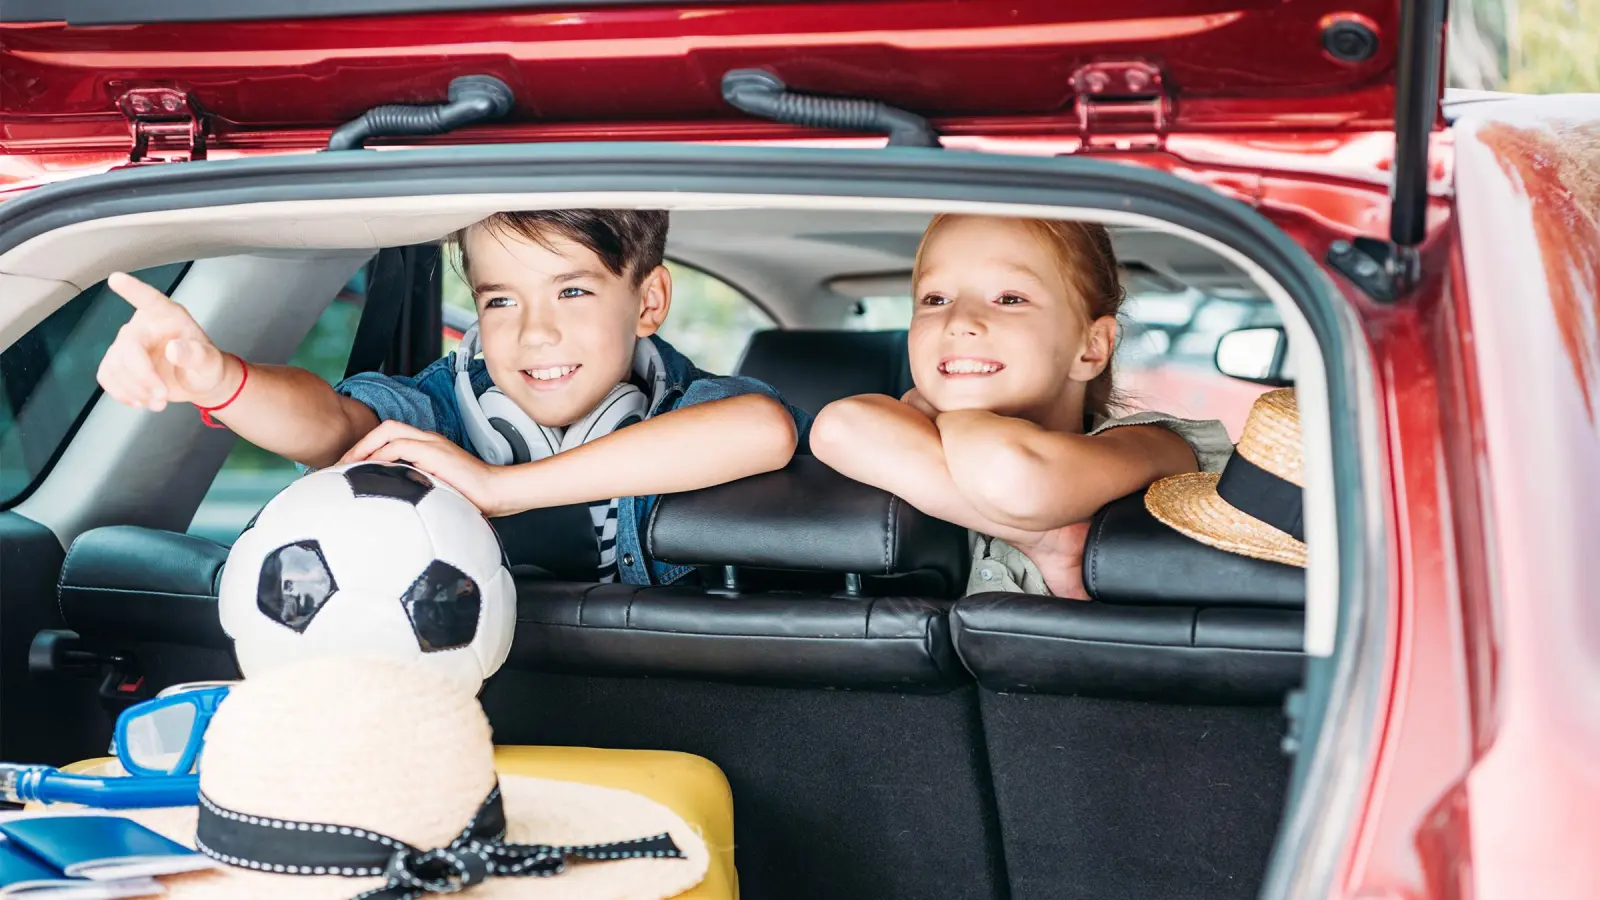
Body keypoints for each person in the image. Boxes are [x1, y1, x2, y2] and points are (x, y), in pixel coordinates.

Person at [96, 208, 808, 586]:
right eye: (501, 301)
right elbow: (332, 426)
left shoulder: (694, 403)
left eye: (572, 290)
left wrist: (503, 487)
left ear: (648, 300)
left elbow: (764, 429)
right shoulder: (438, 410)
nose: (535, 332)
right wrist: (222, 381)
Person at [810, 214, 1233, 599]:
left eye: (1010, 298)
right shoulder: (905, 439)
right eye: (936, 299)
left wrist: (951, 415)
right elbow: (838, 427)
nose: (959, 322)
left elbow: (1019, 478)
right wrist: (1040, 539)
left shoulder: (1153, 445)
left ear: (1091, 347)